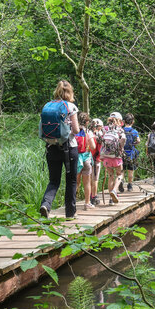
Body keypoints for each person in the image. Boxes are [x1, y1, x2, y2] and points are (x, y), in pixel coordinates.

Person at [39, 80, 80, 219]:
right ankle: (70, 213)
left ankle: (46, 205)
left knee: (54, 180)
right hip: (69, 148)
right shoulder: (71, 106)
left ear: (57, 90)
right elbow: (76, 129)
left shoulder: (47, 106)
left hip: (51, 148)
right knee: (71, 180)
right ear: (70, 92)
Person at [101, 112, 126, 205]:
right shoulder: (120, 130)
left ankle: (111, 200)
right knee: (120, 174)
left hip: (106, 156)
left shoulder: (105, 129)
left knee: (110, 176)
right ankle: (114, 191)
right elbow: (123, 139)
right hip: (116, 156)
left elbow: (99, 138)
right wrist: (121, 147)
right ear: (119, 120)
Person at [75, 112, 96, 210]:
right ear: (87, 122)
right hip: (86, 159)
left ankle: (72, 203)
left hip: (75, 158)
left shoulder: (73, 130)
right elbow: (93, 146)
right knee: (87, 182)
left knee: (75, 182)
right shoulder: (88, 132)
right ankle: (87, 203)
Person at [120, 113, 140, 192]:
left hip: (122, 153)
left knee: (122, 170)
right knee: (130, 170)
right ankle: (129, 185)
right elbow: (138, 140)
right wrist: (134, 143)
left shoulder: (121, 130)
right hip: (131, 153)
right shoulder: (134, 131)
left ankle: (121, 181)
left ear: (124, 121)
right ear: (133, 122)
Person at [89, 118, 103, 205]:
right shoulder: (99, 136)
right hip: (96, 159)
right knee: (95, 178)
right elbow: (100, 149)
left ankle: (91, 195)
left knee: (90, 178)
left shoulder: (88, 134)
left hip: (88, 159)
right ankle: (94, 196)